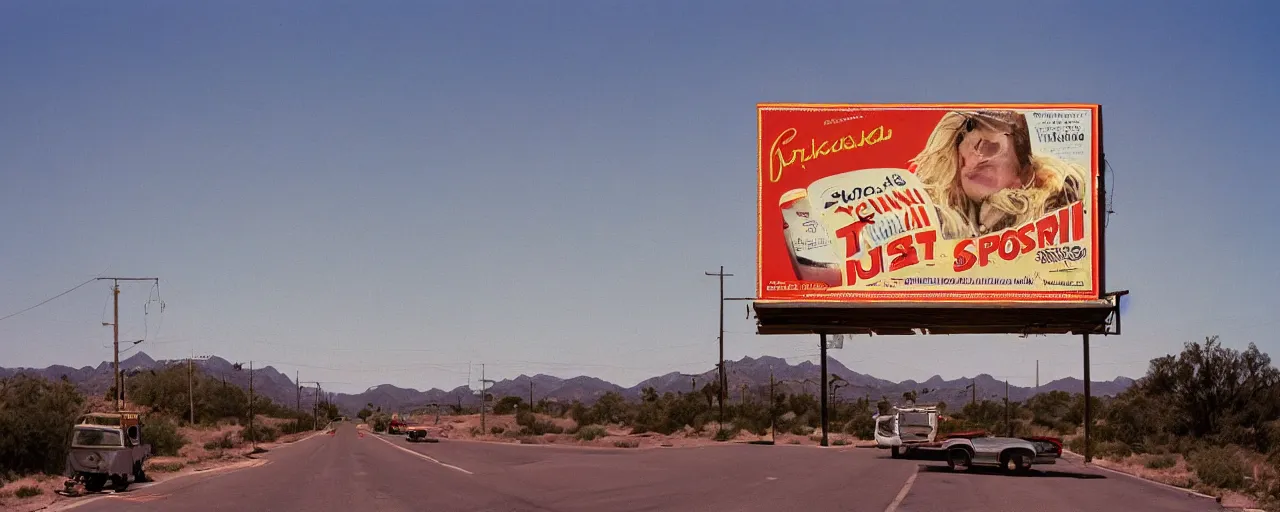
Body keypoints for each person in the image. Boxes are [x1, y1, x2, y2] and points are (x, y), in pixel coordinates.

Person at [908, 110, 1087, 240]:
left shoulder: (1064, 204)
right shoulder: (939, 225)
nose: (976, 148)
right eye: (962, 137)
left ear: (1025, 173)